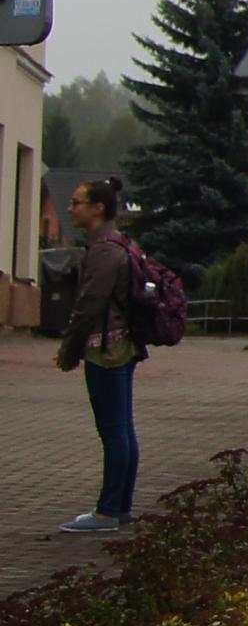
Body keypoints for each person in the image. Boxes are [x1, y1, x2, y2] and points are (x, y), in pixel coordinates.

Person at [52, 175, 144, 536]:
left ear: (98, 208)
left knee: (114, 430)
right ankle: (119, 507)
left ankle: (108, 511)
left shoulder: (104, 251)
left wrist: (69, 349)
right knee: (122, 428)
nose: (71, 208)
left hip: (107, 349)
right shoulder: (118, 245)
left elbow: (89, 305)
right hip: (122, 345)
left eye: (77, 202)